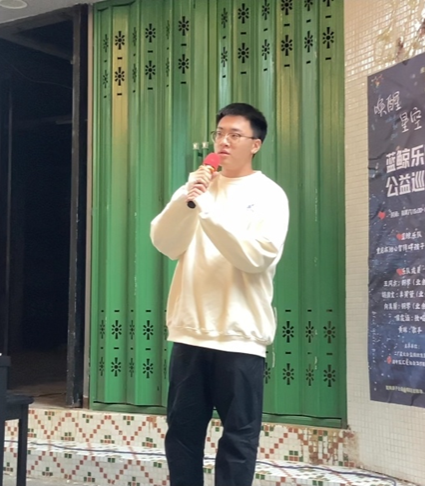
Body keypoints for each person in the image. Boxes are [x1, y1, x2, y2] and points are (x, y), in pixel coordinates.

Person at [150, 102, 290, 486]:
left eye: (235, 135)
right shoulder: (197, 188)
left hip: (240, 338)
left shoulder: (269, 195)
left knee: (239, 439)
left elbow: (256, 258)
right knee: (182, 435)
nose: (223, 142)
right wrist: (187, 200)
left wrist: (208, 210)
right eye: (219, 134)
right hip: (190, 334)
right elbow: (165, 242)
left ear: (255, 144)